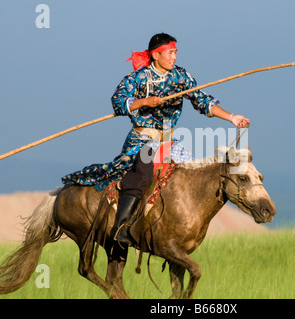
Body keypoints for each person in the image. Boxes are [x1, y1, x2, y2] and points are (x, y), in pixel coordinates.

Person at [61, 33, 249, 246]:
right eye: (170, 53)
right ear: (155, 55)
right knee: (141, 173)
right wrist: (143, 102)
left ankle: (174, 227)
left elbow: (203, 101)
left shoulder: (182, 77)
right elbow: (117, 101)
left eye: (175, 52)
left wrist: (231, 117)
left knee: (190, 173)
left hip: (169, 141)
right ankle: (120, 227)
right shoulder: (138, 77)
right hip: (141, 140)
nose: (174, 57)